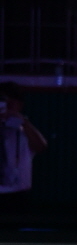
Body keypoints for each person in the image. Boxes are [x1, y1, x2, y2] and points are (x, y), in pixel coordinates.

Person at [0, 83, 48, 213]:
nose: (6, 107)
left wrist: (22, 122)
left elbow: (41, 147)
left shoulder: (22, 129)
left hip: (17, 193)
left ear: (20, 105)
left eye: (11, 103)